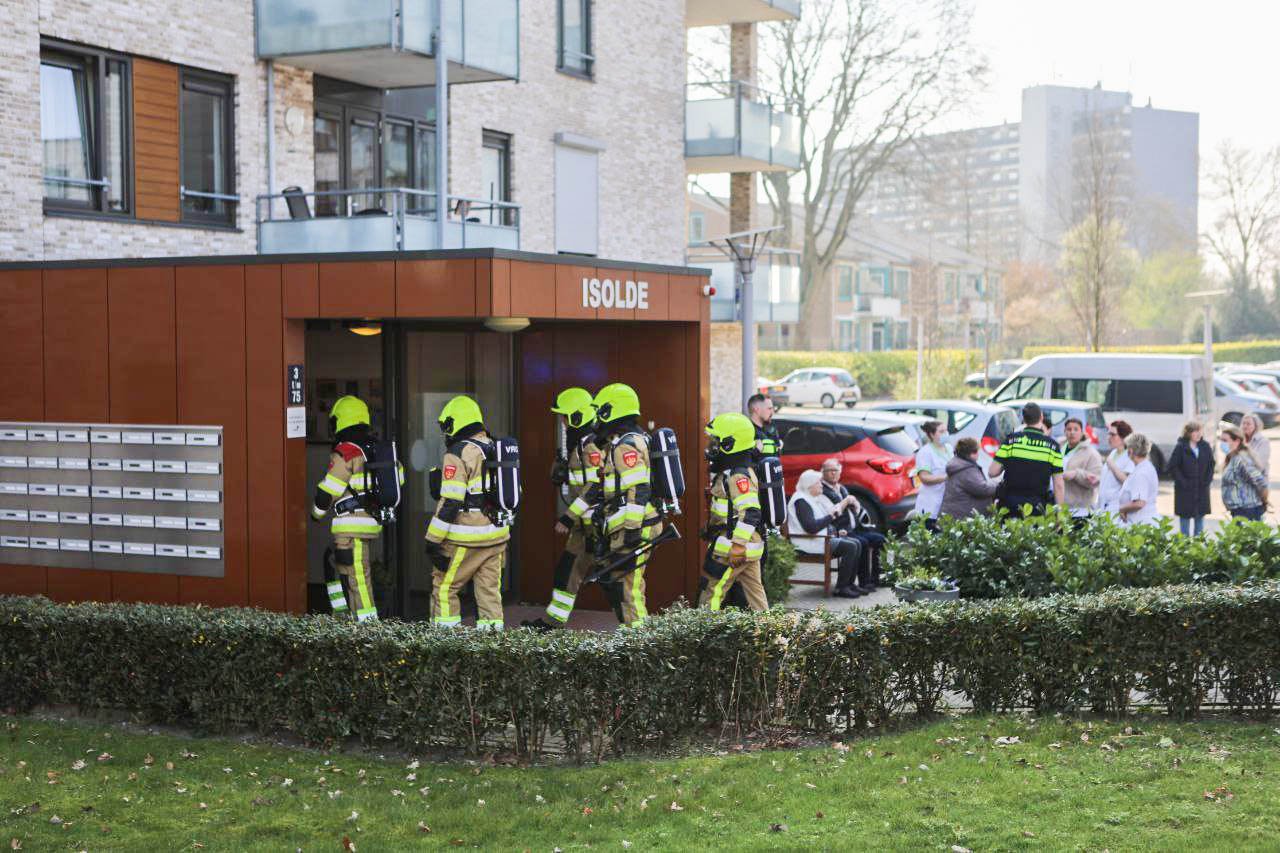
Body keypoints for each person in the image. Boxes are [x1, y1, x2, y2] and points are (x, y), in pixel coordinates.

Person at [424, 395, 510, 630]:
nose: (445, 434)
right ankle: (490, 650)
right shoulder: (496, 448)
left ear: (455, 424)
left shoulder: (458, 452)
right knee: (489, 594)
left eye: (446, 427)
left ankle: (445, 649)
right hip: (497, 536)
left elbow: (451, 502)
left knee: (445, 588)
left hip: (466, 538)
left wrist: (432, 540)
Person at [524, 387, 601, 630]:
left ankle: (636, 635)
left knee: (613, 580)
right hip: (584, 527)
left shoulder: (591, 446)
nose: (564, 423)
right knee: (567, 572)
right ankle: (554, 623)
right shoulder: (579, 445)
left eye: (566, 417)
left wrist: (567, 518)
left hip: (598, 527)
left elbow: (595, 486)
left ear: (578, 417)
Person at [591, 383, 663, 626]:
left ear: (612, 411)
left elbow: (638, 487)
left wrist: (632, 528)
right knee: (628, 584)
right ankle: (634, 636)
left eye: (601, 411)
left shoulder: (626, 444)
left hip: (635, 525)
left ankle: (639, 646)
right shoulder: (637, 437)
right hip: (640, 522)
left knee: (627, 588)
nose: (597, 417)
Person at [309, 395, 385, 622]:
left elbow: (327, 492)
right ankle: (346, 621)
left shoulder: (346, 452)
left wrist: (314, 515)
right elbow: (397, 477)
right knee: (345, 572)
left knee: (358, 577)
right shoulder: (374, 448)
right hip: (368, 522)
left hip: (351, 528)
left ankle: (367, 627)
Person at [700, 412, 769, 610]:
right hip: (749, 544)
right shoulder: (737, 470)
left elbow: (751, 511)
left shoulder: (738, 476)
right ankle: (770, 637)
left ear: (730, 444)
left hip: (734, 546)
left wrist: (737, 546)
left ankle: (701, 637)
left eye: (716, 441)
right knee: (756, 597)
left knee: (711, 592)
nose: (711, 447)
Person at [788, 469, 869, 598]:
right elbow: (811, 527)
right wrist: (831, 516)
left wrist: (836, 531)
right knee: (851, 546)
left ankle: (849, 584)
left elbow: (820, 522)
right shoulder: (801, 501)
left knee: (856, 543)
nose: (821, 485)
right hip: (808, 542)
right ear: (809, 485)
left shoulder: (810, 498)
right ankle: (841, 588)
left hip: (820, 539)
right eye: (818, 483)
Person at [988, 402, 1065, 517]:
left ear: (1023, 419)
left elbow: (992, 472)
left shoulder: (1011, 441)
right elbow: (1058, 485)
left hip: (1010, 507)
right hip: (1038, 508)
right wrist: (1060, 514)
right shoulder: (1052, 446)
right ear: (1041, 417)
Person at [820, 457, 885, 590]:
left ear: (840, 472)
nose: (833, 473)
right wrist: (847, 501)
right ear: (823, 472)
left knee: (880, 539)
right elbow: (831, 513)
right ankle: (863, 582)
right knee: (862, 542)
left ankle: (876, 579)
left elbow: (856, 510)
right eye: (829, 470)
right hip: (839, 530)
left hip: (854, 527)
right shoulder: (821, 491)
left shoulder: (842, 488)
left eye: (836, 470)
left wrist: (856, 505)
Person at [1168, 420, 1214, 535]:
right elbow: (1173, 467)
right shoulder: (1181, 447)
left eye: (1199, 431)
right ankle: (1184, 549)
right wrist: (1183, 482)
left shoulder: (1205, 446)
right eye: (1195, 431)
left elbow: (1211, 465)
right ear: (1188, 433)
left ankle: (1197, 549)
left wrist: (1207, 481)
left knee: (1199, 524)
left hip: (1201, 490)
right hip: (1185, 492)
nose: (1198, 434)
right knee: (1184, 525)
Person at [939, 437, 999, 518]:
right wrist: (999, 483)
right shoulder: (966, 470)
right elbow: (983, 489)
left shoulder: (959, 464)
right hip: (961, 518)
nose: (978, 453)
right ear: (972, 453)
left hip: (955, 515)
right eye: (977, 451)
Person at [1219, 425, 1269, 521]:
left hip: (1247, 510)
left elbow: (1261, 482)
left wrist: (1264, 501)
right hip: (1239, 511)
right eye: (1221, 440)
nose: (1222, 443)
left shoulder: (1242, 459)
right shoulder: (1232, 458)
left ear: (1237, 441)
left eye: (1225, 440)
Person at [1060, 417, 1103, 518]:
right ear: (1064, 431)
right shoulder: (1059, 447)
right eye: (1069, 429)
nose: (1072, 432)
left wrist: (1076, 474)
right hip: (1059, 505)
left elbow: (1097, 479)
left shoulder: (1091, 453)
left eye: (1076, 429)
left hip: (1080, 508)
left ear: (1082, 432)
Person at [912, 420, 952, 526]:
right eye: (941, 431)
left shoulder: (949, 448)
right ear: (931, 434)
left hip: (946, 504)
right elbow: (924, 478)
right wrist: (946, 477)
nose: (945, 434)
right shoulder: (925, 452)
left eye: (946, 430)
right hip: (930, 506)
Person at [1116, 433, 1161, 526]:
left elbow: (1139, 503)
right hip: (1143, 521)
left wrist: (1121, 508)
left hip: (1142, 523)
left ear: (1131, 451)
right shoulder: (1146, 466)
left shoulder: (1141, 473)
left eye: (1127, 448)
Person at [1097, 419, 1135, 515]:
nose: (1109, 437)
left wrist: (1113, 466)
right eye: (1108, 434)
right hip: (1103, 506)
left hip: (1116, 508)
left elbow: (1127, 481)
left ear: (1124, 438)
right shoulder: (1113, 453)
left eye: (1113, 434)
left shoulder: (1129, 456)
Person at [1242, 414, 1270, 479]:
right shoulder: (1240, 440)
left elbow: (1260, 464)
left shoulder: (1263, 442)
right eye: (1243, 423)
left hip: (1257, 480)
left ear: (1256, 426)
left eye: (1248, 424)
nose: (1245, 426)